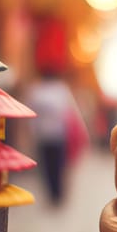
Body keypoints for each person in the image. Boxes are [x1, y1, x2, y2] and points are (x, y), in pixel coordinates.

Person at [25, 73, 86, 205]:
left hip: (54, 135)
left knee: (54, 166)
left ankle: (56, 194)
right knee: (50, 167)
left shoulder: (41, 91)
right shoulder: (55, 90)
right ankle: (54, 194)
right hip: (49, 135)